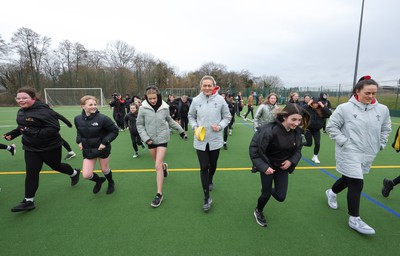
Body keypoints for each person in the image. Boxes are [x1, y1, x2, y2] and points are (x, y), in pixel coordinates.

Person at [325, 75, 391, 235]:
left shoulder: (382, 110)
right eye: (367, 93)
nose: (371, 96)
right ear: (357, 91)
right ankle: (354, 218)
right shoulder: (345, 108)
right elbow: (331, 126)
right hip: (348, 152)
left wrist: (381, 143)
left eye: (374, 93)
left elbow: (386, 128)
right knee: (357, 182)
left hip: (368, 153)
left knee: (348, 179)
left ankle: (331, 193)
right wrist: (345, 142)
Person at [3, 86, 80, 212]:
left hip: (50, 147)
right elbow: (22, 127)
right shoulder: (21, 111)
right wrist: (13, 134)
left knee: (56, 166)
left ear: (33, 98)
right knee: (31, 172)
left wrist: (31, 131)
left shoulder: (44, 111)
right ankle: (29, 201)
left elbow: (53, 129)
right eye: (18, 98)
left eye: (24, 98)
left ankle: (74, 173)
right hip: (30, 147)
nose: (21, 100)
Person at [249, 103, 310, 227]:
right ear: (284, 117)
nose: (297, 123)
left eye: (299, 120)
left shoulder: (297, 132)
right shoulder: (269, 131)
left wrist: (291, 161)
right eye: (293, 119)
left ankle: (267, 189)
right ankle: (258, 210)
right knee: (265, 195)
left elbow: (298, 150)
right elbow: (254, 150)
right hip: (267, 166)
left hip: (282, 167)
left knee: (280, 196)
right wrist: (264, 167)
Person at [136, 85, 187, 208]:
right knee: (158, 163)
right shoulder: (142, 109)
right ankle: (164, 167)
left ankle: (159, 194)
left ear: (158, 96)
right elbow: (139, 125)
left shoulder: (165, 107)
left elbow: (170, 121)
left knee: (157, 165)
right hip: (150, 140)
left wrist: (181, 131)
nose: (152, 100)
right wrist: (146, 138)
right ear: (146, 98)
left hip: (163, 139)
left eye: (154, 98)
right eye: (150, 98)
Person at [188, 75, 231, 211]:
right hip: (200, 140)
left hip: (215, 139)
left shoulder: (220, 100)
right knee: (203, 166)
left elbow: (227, 116)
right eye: (204, 85)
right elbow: (191, 116)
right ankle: (206, 197)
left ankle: (210, 178)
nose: (207, 88)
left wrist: (220, 126)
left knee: (212, 166)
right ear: (201, 86)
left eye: (209, 85)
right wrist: (194, 126)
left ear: (214, 86)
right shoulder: (196, 100)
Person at [75, 95, 119, 195]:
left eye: (95, 104)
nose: (94, 106)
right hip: (88, 149)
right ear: (83, 106)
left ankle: (111, 182)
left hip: (102, 149)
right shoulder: (77, 119)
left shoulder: (103, 118)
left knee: (104, 169)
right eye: (90, 105)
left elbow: (114, 131)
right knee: (86, 174)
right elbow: (79, 131)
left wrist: (105, 142)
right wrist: (79, 141)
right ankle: (99, 181)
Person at [302, 96, 332, 164]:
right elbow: (301, 110)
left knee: (317, 143)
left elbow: (329, 114)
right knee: (309, 144)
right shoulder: (308, 108)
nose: (315, 105)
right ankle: (300, 143)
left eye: (316, 103)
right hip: (308, 129)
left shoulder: (321, 110)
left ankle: (315, 156)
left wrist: (322, 105)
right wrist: (308, 103)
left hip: (316, 130)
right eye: (314, 103)